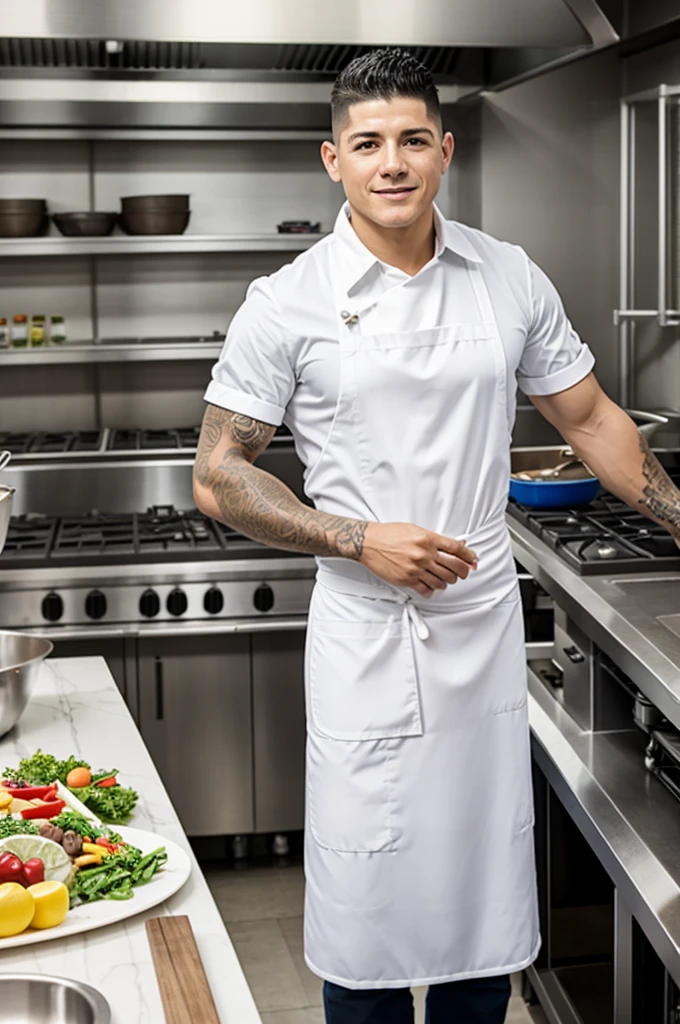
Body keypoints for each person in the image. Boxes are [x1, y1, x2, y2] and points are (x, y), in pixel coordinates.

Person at [194, 48, 680, 1024]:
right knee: (365, 916)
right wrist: (356, 537)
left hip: (478, 625)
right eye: (367, 142)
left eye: (411, 138)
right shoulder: (284, 300)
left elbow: (589, 421)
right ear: (333, 159)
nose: (391, 161)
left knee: (479, 908)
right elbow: (217, 475)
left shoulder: (505, 276)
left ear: (443, 150)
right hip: (367, 632)